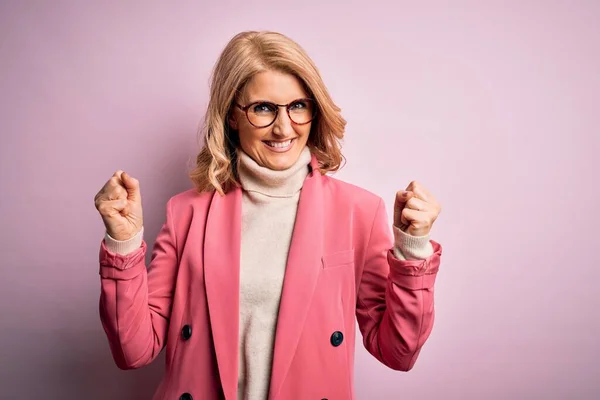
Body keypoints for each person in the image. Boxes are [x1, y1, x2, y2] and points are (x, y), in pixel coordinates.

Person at [94, 30, 443, 400]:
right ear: (232, 115)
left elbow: (399, 352)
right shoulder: (186, 213)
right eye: (263, 108)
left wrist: (413, 250)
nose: (283, 126)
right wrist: (123, 242)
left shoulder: (358, 211)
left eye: (297, 105)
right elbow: (133, 350)